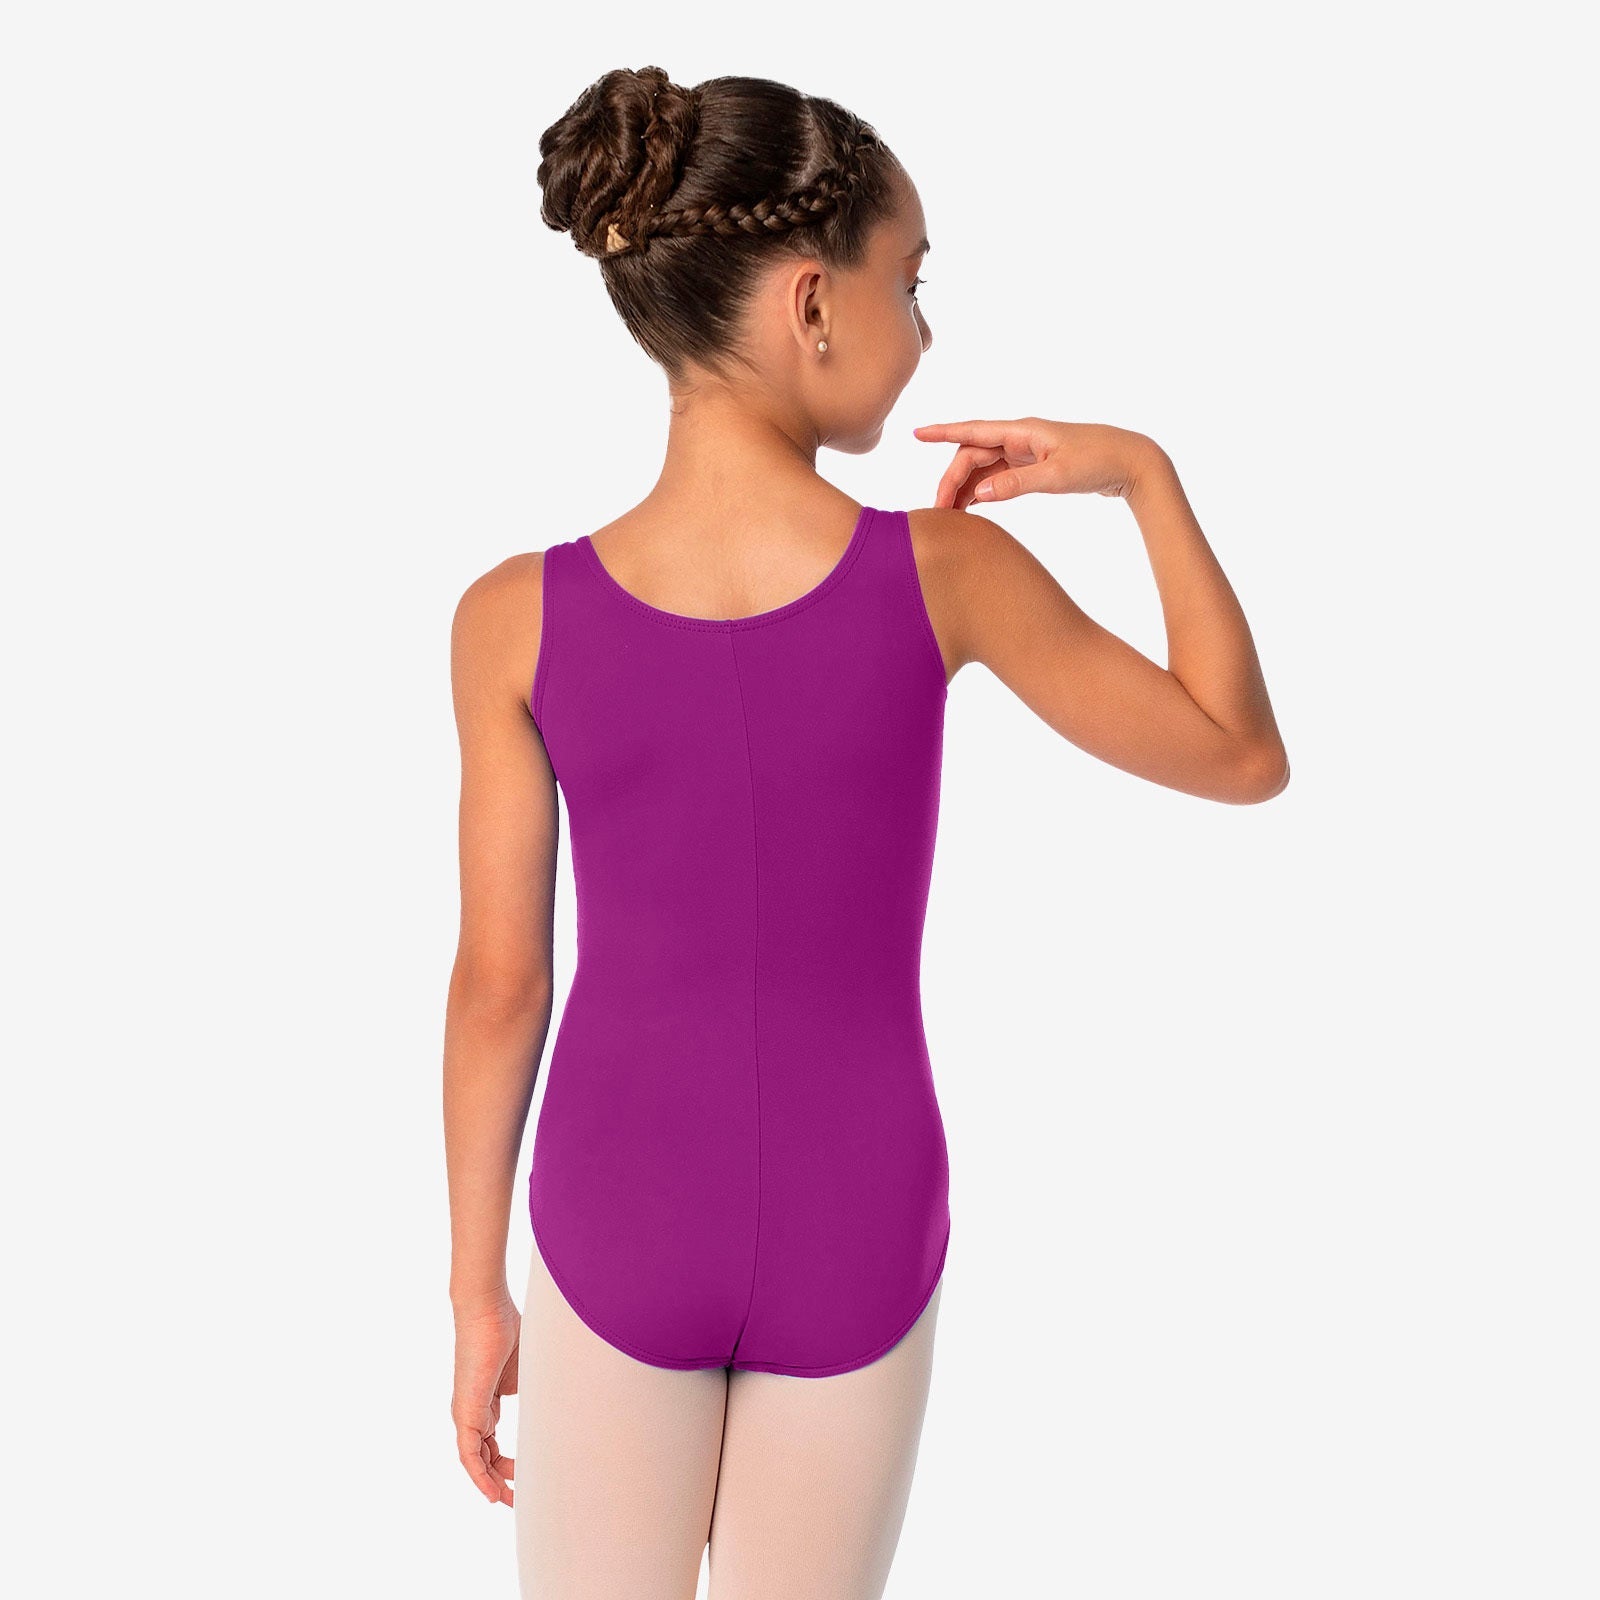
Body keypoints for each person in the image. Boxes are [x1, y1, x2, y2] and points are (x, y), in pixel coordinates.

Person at [442, 65, 1289, 1600]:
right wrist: (1142, 478)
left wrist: (474, 1293)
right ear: (813, 303)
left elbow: (502, 987)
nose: (926, 331)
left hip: (619, 1207)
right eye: (912, 281)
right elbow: (1238, 754)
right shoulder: (948, 575)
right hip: (859, 1209)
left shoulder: (512, 618)